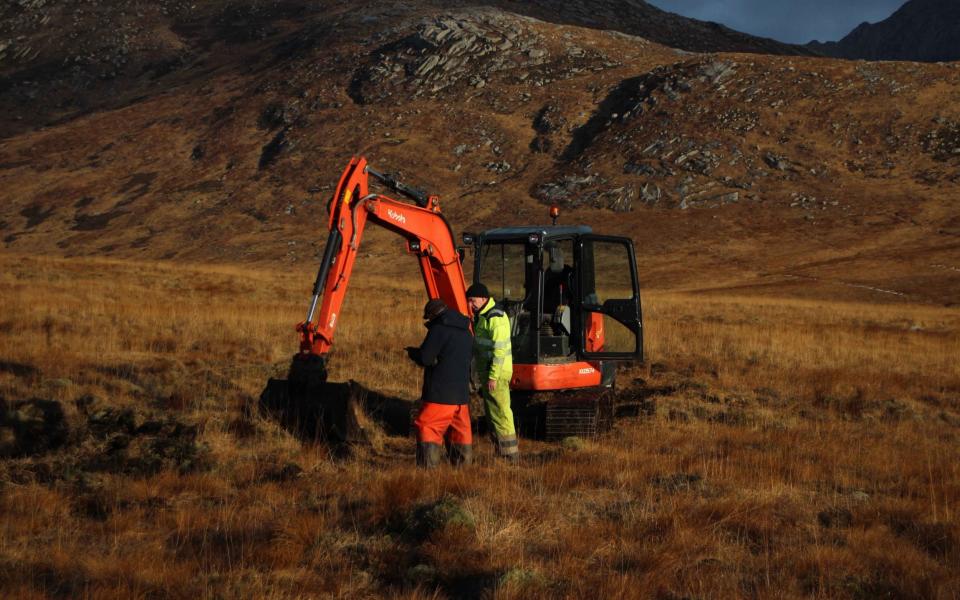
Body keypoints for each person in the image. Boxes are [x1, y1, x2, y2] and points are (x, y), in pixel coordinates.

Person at [406, 298, 474, 468]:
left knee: (427, 427)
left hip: (440, 394)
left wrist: (413, 353)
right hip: (461, 397)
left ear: (433, 316)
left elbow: (426, 358)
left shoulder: (439, 329)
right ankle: (464, 475)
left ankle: (428, 475)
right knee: (460, 435)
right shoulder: (466, 331)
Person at [465, 282, 519, 462]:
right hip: (488, 373)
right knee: (493, 413)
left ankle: (510, 455)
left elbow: (499, 350)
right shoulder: (483, 316)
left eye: (472, 301)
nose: (470, 305)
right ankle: (501, 451)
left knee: (501, 413)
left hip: (496, 374)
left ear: (482, 298)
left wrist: (493, 377)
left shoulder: (495, 317)